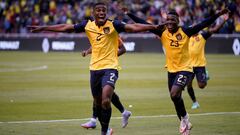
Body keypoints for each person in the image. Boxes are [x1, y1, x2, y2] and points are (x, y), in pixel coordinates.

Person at [29, 2, 159, 135]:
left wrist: (153, 26)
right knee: (97, 102)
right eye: (98, 10)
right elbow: (66, 27)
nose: (102, 12)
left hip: (110, 68)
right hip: (94, 69)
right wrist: (44, 27)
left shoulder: (114, 25)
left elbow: (133, 27)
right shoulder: (87, 25)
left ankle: (104, 131)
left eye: (104, 10)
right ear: (93, 13)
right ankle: (110, 119)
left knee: (106, 99)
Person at [123, 7, 229, 135]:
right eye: (168, 20)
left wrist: (218, 14)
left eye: (172, 20)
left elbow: (203, 23)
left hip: (185, 69)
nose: (170, 22)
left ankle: (184, 119)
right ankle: (185, 125)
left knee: (174, 94)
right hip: (171, 71)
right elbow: (145, 24)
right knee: (175, 98)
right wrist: (128, 13)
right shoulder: (161, 31)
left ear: (178, 21)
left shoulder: (186, 31)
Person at [81, 37, 132, 129]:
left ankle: (94, 121)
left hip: (109, 68)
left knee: (103, 95)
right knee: (103, 94)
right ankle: (124, 112)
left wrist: (111, 57)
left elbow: (123, 49)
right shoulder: (96, 33)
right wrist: (87, 52)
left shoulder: (113, 34)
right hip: (96, 68)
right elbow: (95, 46)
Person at [187, 14, 229, 109]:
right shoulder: (187, 37)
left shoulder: (202, 36)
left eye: (194, 27)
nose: (192, 28)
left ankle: (205, 74)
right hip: (189, 66)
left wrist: (224, 20)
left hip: (200, 65)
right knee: (188, 85)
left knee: (202, 86)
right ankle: (195, 102)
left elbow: (215, 30)